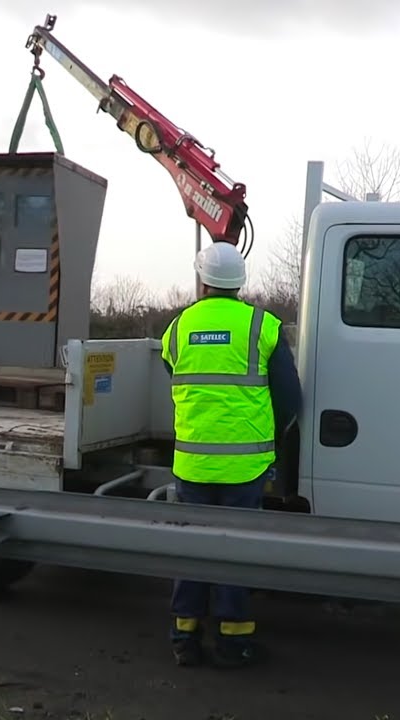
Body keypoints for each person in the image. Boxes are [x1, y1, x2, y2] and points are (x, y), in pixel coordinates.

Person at [159, 241, 303, 669]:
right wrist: (268, 438)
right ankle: (232, 642)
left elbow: (174, 373)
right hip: (245, 466)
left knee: (192, 547)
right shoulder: (263, 326)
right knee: (234, 549)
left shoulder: (178, 327)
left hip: (193, 464)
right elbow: (290, 399)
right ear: (240, 283)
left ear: (202, 281)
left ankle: (184, 639)